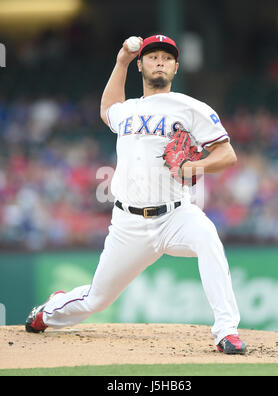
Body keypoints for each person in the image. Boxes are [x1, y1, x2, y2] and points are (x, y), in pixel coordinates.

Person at [25, 34, 247, 355]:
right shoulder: (128, 110)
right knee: (98, 299)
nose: (160, 61)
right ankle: (51, 310)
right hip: (128, 224)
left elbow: (226, 155)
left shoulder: (190, 107)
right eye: (154, 56)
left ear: (175, 67)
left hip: (175, 215)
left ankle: (226, 331)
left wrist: (193, 168)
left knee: (208, 239)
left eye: (167, 58)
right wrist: (121, 62)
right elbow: (107, 109)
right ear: (142, 64)